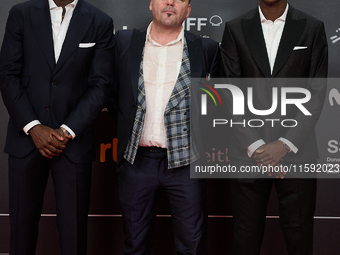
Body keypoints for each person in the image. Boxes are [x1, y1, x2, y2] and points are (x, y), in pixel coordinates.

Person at [0, 0, 114, 254]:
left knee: (74, 237)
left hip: (72, 144)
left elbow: (101, 85)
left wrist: (67, 131)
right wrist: (33, 127)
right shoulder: (21, 14)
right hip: (25, 141)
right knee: (20, 234)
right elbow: (8, 74)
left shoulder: (100, 21)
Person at [108, 0, 219, 254]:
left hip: (186, 164)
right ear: (150, 4)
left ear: (188, 10)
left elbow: (214, 106)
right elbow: (114, 97)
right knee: (135, 245)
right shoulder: (124, 42)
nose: (170, 2)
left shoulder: (206, 49)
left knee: (192, 245)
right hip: (137, 161)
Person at [220, 0, 328, 254]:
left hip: (297, 153)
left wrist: (285, 144)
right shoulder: (235, 29)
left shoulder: (312, 27)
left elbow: (317, 91)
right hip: (248, 155)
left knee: (300, 238)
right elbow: (229, 91)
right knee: (245, 240)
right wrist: (257, 146)